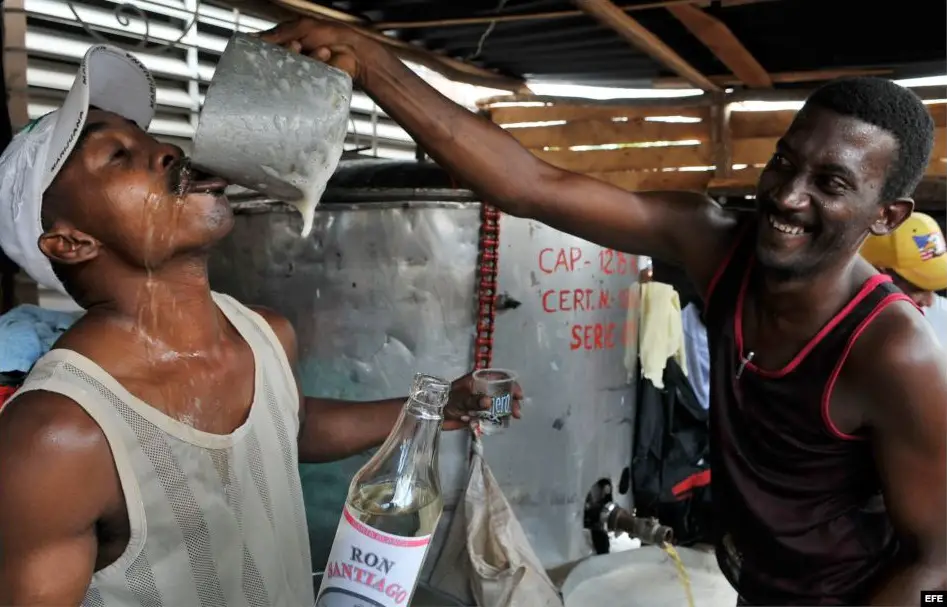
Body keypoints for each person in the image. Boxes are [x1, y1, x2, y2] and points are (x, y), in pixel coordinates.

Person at [261, 19, 947, 605]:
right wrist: (374, 65)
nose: (789, 196)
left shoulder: (892, 353)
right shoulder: (713, 245)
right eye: (784, 163)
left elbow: (936, 561)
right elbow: (531, 186)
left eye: (829, 184)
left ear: (885, 215)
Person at [0, 45, 521, 606]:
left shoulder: (266, 334)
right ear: (71, 242)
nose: (167, 152)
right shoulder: (54, 437)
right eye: (118, 156)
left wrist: (438, 409)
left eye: (151, 139)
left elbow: (287, 429)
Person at [860, 211, 947, 342]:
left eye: (932, 287)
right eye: (917, 289)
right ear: (878, 274)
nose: (929, 302)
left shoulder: (942, 315)